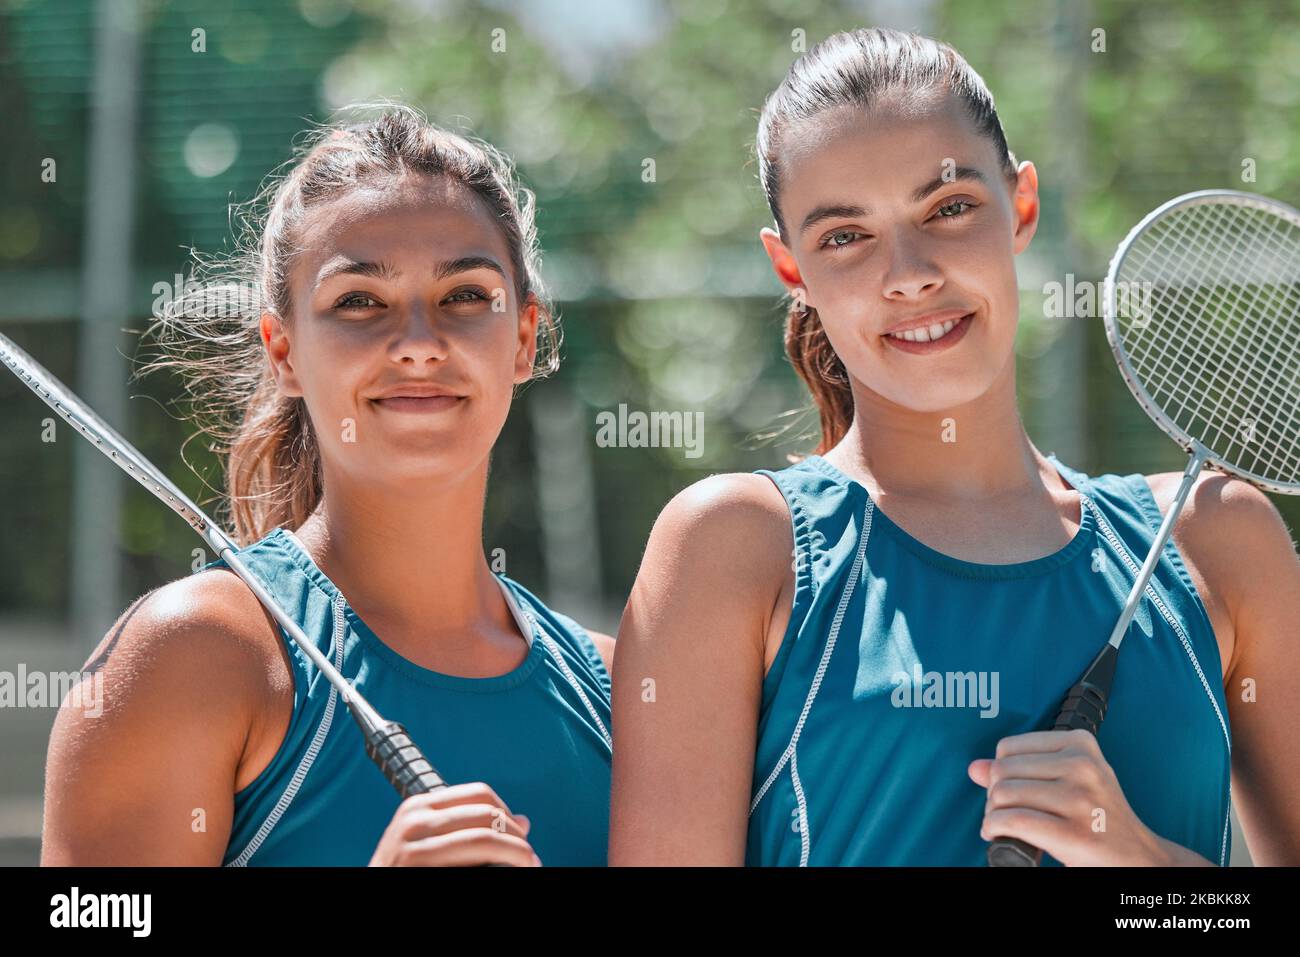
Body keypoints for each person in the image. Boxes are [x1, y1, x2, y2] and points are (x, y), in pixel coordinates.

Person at [609, 28, 1300, 866]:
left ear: (1023, 207)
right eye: (844, 236)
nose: (909, 273)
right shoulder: (732, 547)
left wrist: (1142, 865)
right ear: (791, 269)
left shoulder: (1218, 538)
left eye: (949, 208)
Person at [42, 106, 613, 867]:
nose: (417, 343)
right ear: (282, 350)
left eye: (466, 296)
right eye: (358, 302)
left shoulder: (617, 686)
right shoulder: (195, 652)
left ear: (522, 338)